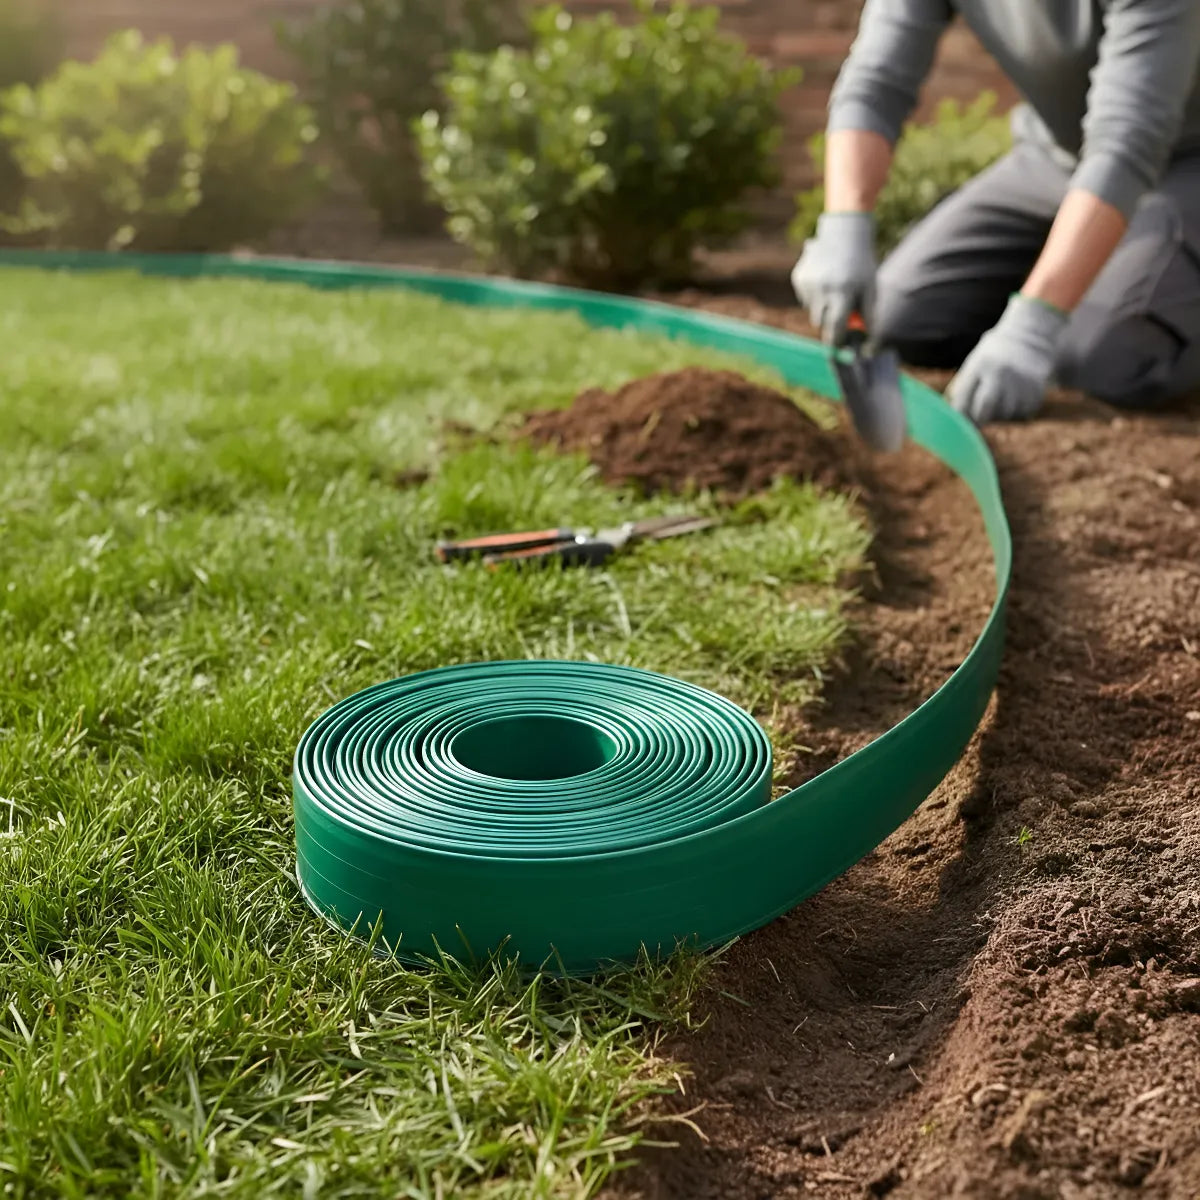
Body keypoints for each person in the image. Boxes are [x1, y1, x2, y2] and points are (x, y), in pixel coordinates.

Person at [791, 0, 1200, 423]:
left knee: (1104, 362)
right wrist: (844, 225)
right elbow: (875, 84)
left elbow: (1126, 145)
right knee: (901, 321)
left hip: (1186, 167)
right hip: (1054, 159)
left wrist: (1035, 322)